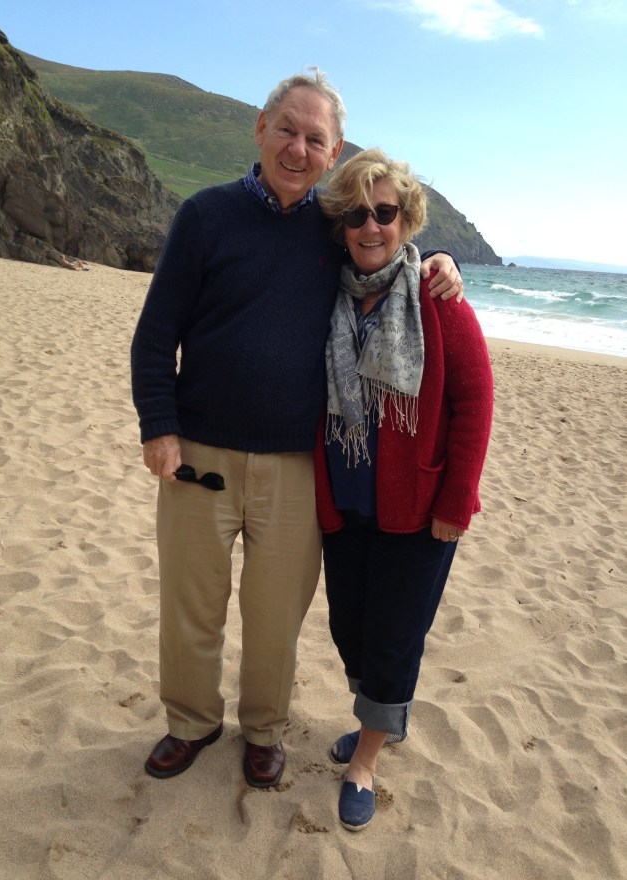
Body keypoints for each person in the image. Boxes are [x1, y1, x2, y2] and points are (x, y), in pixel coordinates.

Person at [130, 71, 463, 790]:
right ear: (261, 128)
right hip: (198, 452)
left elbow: (391, 251)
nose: (298, 148)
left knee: (276, 615)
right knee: (191, 605)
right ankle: (190, 722)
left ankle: (264, 731)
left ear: (333, 151)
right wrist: (159, 426)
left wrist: (446, 261)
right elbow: (155, 334)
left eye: (316, 138)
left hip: (295, 464)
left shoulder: (333, 228)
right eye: (287, 129)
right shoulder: (205, 216)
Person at [314, 148, 493, 830]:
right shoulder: (326, 297)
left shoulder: (436, 299)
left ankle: (366, 757)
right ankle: (383, 718)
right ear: (341, 225)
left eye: (384, 212)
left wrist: (456, 503)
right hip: (344, 505)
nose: (371, 226)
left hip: (419, 512)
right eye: (357, 214)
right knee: (350, 631)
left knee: (392, 639)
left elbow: (475, 404)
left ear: (406, 220)